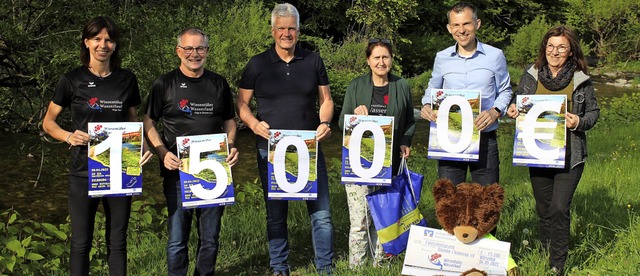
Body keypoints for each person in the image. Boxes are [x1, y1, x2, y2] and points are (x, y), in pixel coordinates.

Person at [42, 16, 152, 275]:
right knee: (81, 243)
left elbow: (133, 121)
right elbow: (48, 123)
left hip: (121, 169)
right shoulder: (71, 80)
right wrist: (68, 136)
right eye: (97, 39)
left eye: (109, 40)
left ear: (115, 45)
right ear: (87, 42)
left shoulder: (127, 79)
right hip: (83, 171)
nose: (103, 44)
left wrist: (143, 147)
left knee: (118, 242)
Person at [236, 3, 334, 275]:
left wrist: (325, 121)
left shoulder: (313, 60)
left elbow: (325, 99)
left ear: (298, 31)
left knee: (322, 214)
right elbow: (241, 103)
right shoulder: (257, 63)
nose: (286, 33)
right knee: (276, 215)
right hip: (270, 149)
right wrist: (253, 124)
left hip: (309, 148)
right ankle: (280, 267)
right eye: (281, 28)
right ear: (273, 31)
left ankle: (325, 268)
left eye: (291, 28)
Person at [143, 27, 239, 275]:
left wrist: (230, 146)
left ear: (207, 51)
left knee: (210, 238)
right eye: (188, 48)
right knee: (177, 239)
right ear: (178, 51)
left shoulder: (218, 83)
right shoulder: (164, 83)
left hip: (214, 169)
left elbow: (230, 120)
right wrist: (162, 152)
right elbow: (148, 122)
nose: (194, 54)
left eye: (199, 48)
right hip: (177, 172)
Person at [506, 26, 599, 274]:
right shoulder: (532, 74)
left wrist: (578, 122)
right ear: (544, 48)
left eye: (561, 47)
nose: (554, 52)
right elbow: (518, 100)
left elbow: (593, 112)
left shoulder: (581, 79)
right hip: (536, 152)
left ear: (570, 52)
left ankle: (558, 264)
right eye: (550, 46)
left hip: (570, 156)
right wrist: (512, 109)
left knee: (559, 207)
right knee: (543, 208)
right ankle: (546, 252)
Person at [337, 38, 415, 267]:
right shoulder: (356, 86)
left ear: (391, 59)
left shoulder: (401, 86)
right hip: (358, 164)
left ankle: (382, 265)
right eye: (376, 57)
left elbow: (410, 121)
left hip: (388, 164)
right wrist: (354, 116)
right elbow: (342, 121)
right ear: (368, 61)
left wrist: (405, 141)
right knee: (360, 220)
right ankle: (357, 267)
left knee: (385, 218)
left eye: (385, 57)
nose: (381, 62)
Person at [420, 2, 513, 186]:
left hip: (485, 137)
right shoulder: (442, 57)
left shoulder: (495, 56)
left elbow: (506, 90)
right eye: (456, 25)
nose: (461, 30)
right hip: (450, 137)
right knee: (450, 199)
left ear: (477, 24)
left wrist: (495, 111)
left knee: (487, 199)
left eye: (466, 24)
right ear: (449, 28)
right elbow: (433, 88)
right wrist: (426, 105)